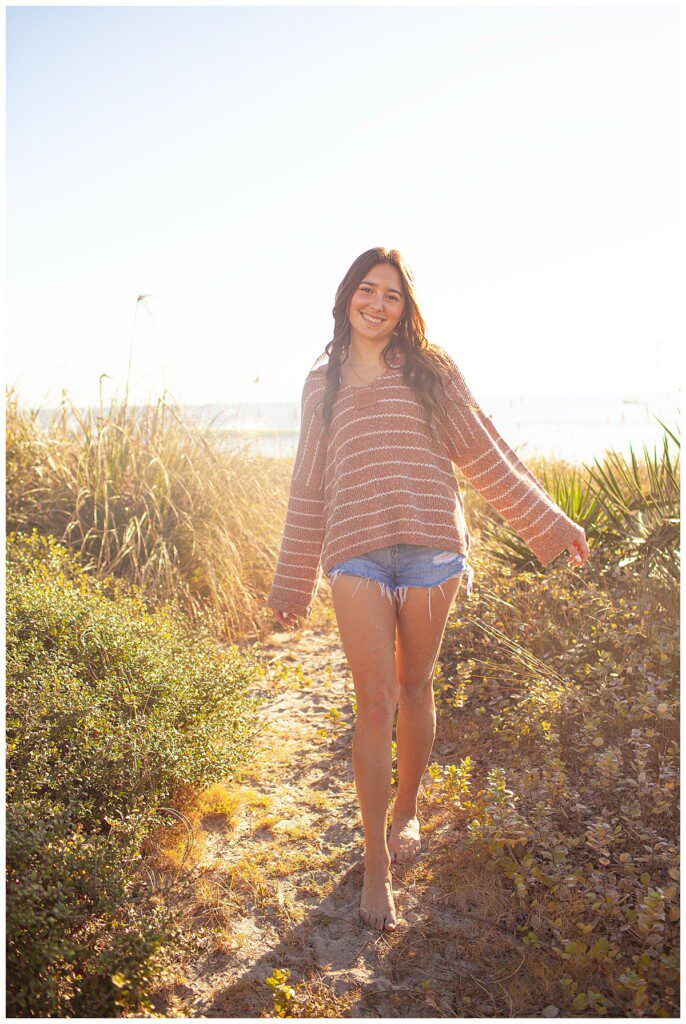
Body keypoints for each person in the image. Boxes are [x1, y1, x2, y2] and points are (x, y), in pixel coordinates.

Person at [267, 246, 590, 932]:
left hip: (431, 548)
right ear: (346, 296)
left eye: (392, 295)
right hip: (354, 550)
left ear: (406, 308)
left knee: (415, 688)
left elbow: (483, 450)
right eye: (367, 290)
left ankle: (407, 811)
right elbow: (307, 484)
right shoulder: (319, 382)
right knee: (374, 703)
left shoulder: (430, 370)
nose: (377, 304)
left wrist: (551, 523)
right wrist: (290, 586)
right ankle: (375, 867)